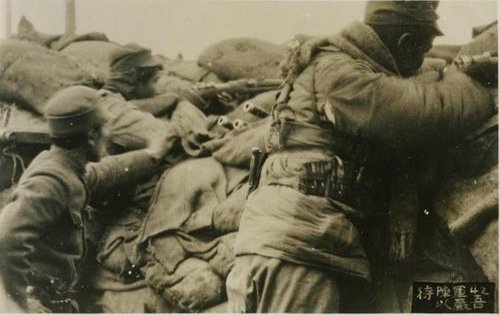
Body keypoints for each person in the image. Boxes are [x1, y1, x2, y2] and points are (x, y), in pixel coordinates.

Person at [226, 1, 497, 313]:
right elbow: (418, 114)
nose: (422, 61)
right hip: (297, 248)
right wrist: (477, 85)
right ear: (406, 44)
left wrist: (457, 67)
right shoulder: (339, 71)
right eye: (422, 50)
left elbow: (423, 75)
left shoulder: (349, 64)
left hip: (299, 245)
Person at [0, 85, 175, 312]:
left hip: (56, 298)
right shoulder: (50, 181)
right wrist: (17, 305)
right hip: (39, 302)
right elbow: (6, 238)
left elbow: (103, 173)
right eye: (105, 128)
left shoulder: (66, 168)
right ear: (92, 136)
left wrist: (151, 155)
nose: (109, 134)